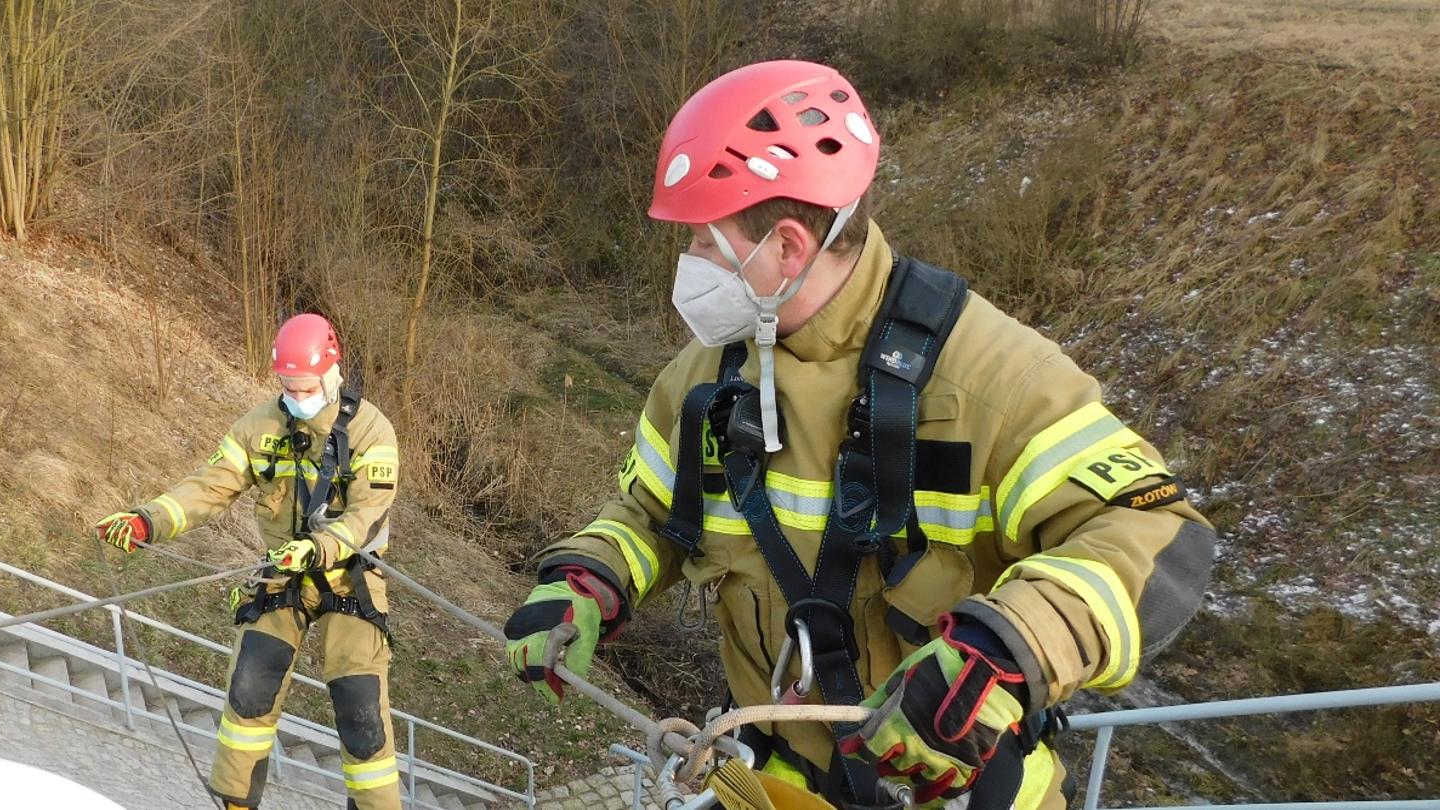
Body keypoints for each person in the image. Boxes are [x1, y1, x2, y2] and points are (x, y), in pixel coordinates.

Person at [502, 61, 1215, 810]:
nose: (689, 268)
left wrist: (1004, 653)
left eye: (705, 243)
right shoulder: (702, 381)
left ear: (785, 247)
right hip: (769, 783)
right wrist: (585, 581)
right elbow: (654, 516)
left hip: (954, 790)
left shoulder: (989, 381)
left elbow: (1157, 536)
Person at [97, 313, 402, 810]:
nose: (295, 396)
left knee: (360, 709)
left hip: (351, 579)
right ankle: (236, 802)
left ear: (330, 374)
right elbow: (210, 485)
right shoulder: (259, 428)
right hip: (282, 572)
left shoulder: (371, 431)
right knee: (249, 690)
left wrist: (320, 547)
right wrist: (148, 520)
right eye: (287, 386)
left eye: (304, 386)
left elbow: (369, 513)